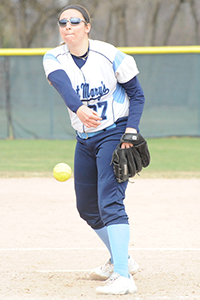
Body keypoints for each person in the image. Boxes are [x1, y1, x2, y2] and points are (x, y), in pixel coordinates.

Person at [43, 4, 146, 295]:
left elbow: (137, 95)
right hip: (84, 138)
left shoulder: (110, 55)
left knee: (109, 201)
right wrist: (78, 107)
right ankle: (121, 258)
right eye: (63, 22)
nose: (68, 27)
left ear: (87, 26)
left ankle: (124, 277)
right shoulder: (53, 57)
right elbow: (62, 85)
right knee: (87, 208)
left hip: (114, 132)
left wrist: (131, 131)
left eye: (75, 21)